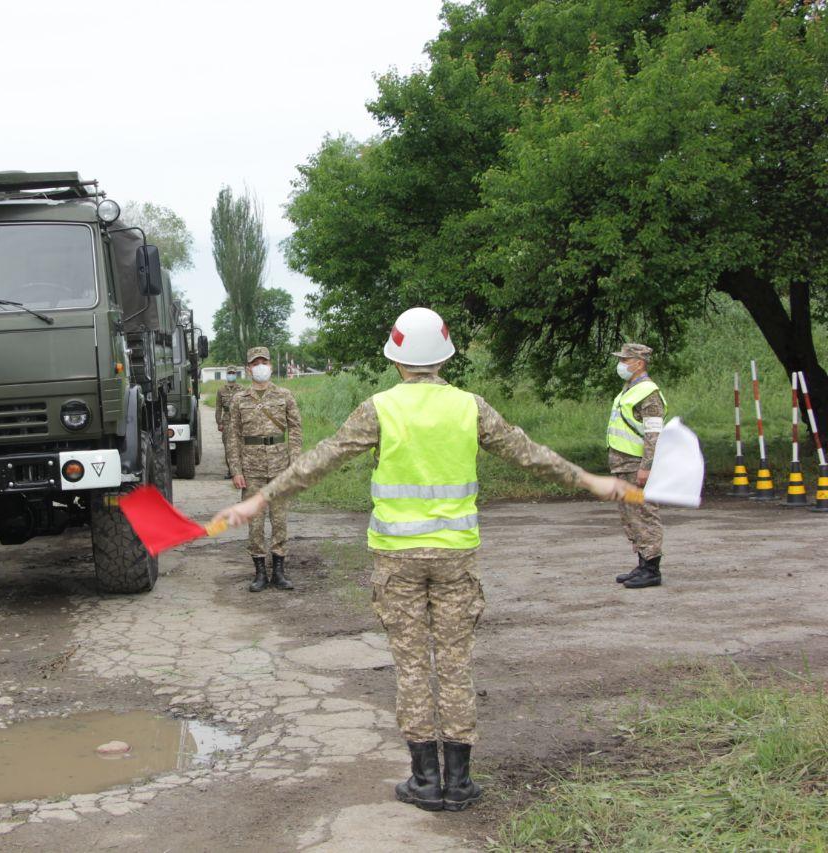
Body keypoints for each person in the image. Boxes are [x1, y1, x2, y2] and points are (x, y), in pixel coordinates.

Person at [213, 308, 629, 811]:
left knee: (412, 667)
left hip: (397, 559)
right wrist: (591, 481)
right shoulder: (470, 406)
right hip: (455, 556)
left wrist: (259, 499)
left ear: (395, 358)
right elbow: (528, 454)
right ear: (446, 355)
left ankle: (424, 781)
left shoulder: (378, 408)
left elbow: (321, 459)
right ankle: (460, 783)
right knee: (454, 664)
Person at [225, 347, 303, 592]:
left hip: (280, 466)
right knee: (255, 523)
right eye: (255, 363)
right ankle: (259, 572)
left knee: (279, 520)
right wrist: (236, 469)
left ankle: (279, 570)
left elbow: (296, 429)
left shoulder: (284, 395)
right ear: (248, 368)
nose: (260, 366)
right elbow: (233, 437)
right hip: (251, 469)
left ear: (270, 366)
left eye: (263, 362)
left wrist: (295, 461)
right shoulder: (239, 399)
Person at [607, 343, 667, 589]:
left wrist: (647, 467)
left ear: (639, 363)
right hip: (623, 464)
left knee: (644, 513)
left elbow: (654, 434)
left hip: (636, 464)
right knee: (630, 514)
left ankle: (652, 568)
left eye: (625, 359)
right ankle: (643, 563)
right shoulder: (629, 389)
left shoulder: (648, 392)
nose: (621, 364)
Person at [216, 366, 243, 481]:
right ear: (226, 374)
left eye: (233, 372)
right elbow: (218, 407)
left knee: (240, 445)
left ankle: (240, 469)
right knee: (228, 446)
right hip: (226, 420)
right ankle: (230, 470)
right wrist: (219, 422)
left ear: (236, 374)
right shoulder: (221, 390)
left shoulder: (242, 389)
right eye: (229, 373)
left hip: (239, 419)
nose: (231, 374)